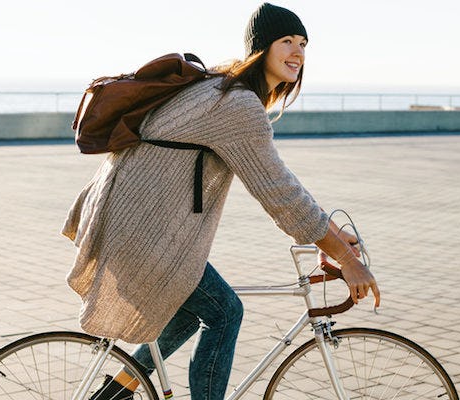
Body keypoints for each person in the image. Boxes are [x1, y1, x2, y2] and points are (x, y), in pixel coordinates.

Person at [61, 3, 380, 399]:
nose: (298, 52)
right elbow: (281, 196)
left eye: (303, 43)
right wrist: (346, 261)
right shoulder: (238, 104)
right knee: (225, 312)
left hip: (128, 220)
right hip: (140, 230)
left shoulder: (221, 86)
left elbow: (283, 187)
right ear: (261, 48)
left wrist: (330, 235)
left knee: (183, 316)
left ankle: (109, 397)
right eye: (286, 42)